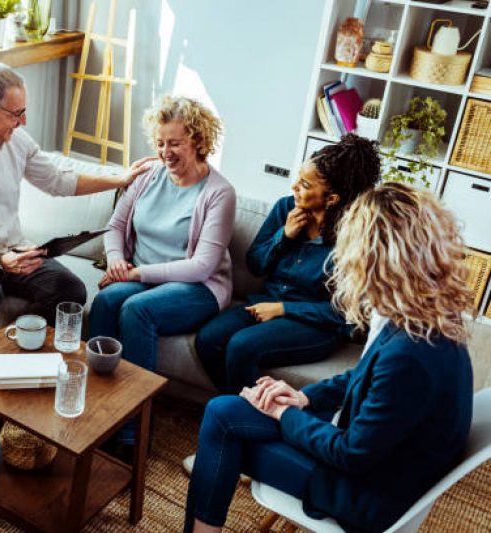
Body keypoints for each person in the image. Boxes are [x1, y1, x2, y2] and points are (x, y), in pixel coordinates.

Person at [184, 183, 475, 533]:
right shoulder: (425, 313)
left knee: (224, 429)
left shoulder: (411, 353)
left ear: (375, 259)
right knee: (224, 411)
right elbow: (363, 376)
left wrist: (283, 411)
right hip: (376, 457)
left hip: (364, 494)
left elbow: (351, 453)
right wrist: (303, 396)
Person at [0, 61, 150, 340]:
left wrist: (121, 178)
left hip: (16, 251)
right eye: (17, 113)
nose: (23, 121)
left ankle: (13, 345)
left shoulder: (16, 141)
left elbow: (58, 180)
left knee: (71, 290)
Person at [194, 133, 381, 396]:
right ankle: (244, 409)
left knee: (242, 346)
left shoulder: (354, 237)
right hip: (265, 302)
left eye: (305, 184)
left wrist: (284, 309)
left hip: (317, 326)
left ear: (331, 198)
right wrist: (284, 236)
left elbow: (343, 313)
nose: (294, 187)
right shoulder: (285, 209)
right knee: (208, 340)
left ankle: (243, 418)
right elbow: (255, 264)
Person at [88, 95, 236, 394]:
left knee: (136, 310)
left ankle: (132, 427)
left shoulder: (220, 193)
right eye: (160, 143)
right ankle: (99, 401)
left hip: (197, 287)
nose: (165, 152)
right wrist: (117, 260)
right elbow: (115, 225)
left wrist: (136, 274)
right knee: (105, 300)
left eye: (175, 143)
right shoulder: (148, 177)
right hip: (143, 276)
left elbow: (202, 266)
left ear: (198, 141)